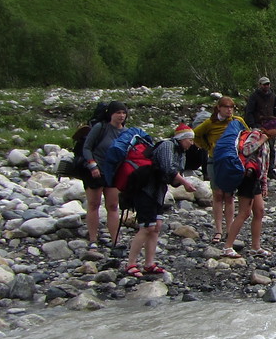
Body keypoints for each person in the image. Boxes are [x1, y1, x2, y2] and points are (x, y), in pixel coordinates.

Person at [122, 125, 197, 278]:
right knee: (146, 227)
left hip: (158, 191)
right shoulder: (167, 146)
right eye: (190, 139)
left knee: (156, 226)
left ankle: (149, 263)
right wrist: (185, 183)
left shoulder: (181, 152)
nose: (191, 143)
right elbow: (168, 168)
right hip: (146, 189)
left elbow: (175, 174)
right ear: (181, 139)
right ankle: (130, 264)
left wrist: (180, 181)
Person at [222, 118, 276, 258]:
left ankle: (256, 246)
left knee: (259, 211)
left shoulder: (267, 140)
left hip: (255, 179)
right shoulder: (256, 134)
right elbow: (246, 150)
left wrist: (264, 184)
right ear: (269, 128)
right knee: (244, 212)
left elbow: (264, 164)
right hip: (247, 178)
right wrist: (261, 140)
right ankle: (227, 246)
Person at [194, 97, 248, 244]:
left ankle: (230, 229)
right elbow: (196, 135)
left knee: (229, 195)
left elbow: (246, 135)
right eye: (226, 107)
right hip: (214, 160)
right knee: (217, 194)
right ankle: (218, 230)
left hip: (231, 161)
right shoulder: (210, 123)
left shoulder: (237, 121)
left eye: (231, 107)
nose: (229, 110)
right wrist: (207, 147)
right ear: (219, 108)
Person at [81, 101, 129, 248]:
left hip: (114, 172)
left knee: (113, 206)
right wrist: (92, 165)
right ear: (111, 114)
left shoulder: (126, 132)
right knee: (94, 204)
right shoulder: (100, 128)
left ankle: (115, 240)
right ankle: (93, 239)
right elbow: (87, 147)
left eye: (123, 113)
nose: (121, 116)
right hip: (95, 170)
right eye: (118, 113)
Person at [245, 76, 276, 178]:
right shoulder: (254, 96)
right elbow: (249, 111)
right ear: (259, 85)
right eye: (264, 84)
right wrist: (253, 125)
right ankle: (256, 168)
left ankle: (270, 170)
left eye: (268, 84)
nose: (266, 86)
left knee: (271, 149)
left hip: (270, 126)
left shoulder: (273, 96)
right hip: (258, 125)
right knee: (257, 148)